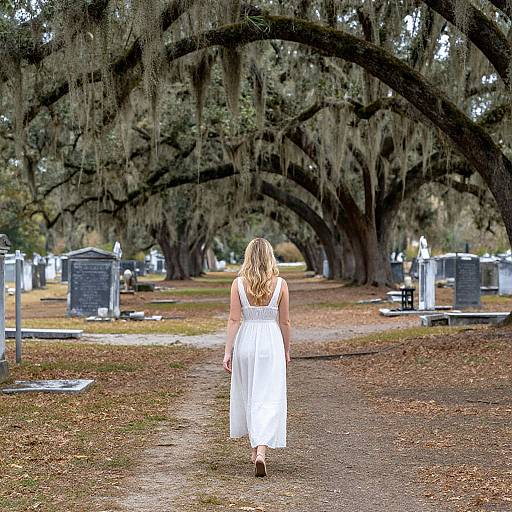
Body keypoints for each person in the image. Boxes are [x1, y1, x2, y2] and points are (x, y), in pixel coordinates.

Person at [223, 238, 291, 477]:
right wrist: (286, 349)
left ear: (248, 257)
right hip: (270, 341)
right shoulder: (280, 284)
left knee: (249, 393)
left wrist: (228, 351)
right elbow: (285, 321)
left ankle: (255, 450)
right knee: (268, 395)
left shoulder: (238, 284)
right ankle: (261, 450)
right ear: (270, 257)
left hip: (246, 341)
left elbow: (234, 320)